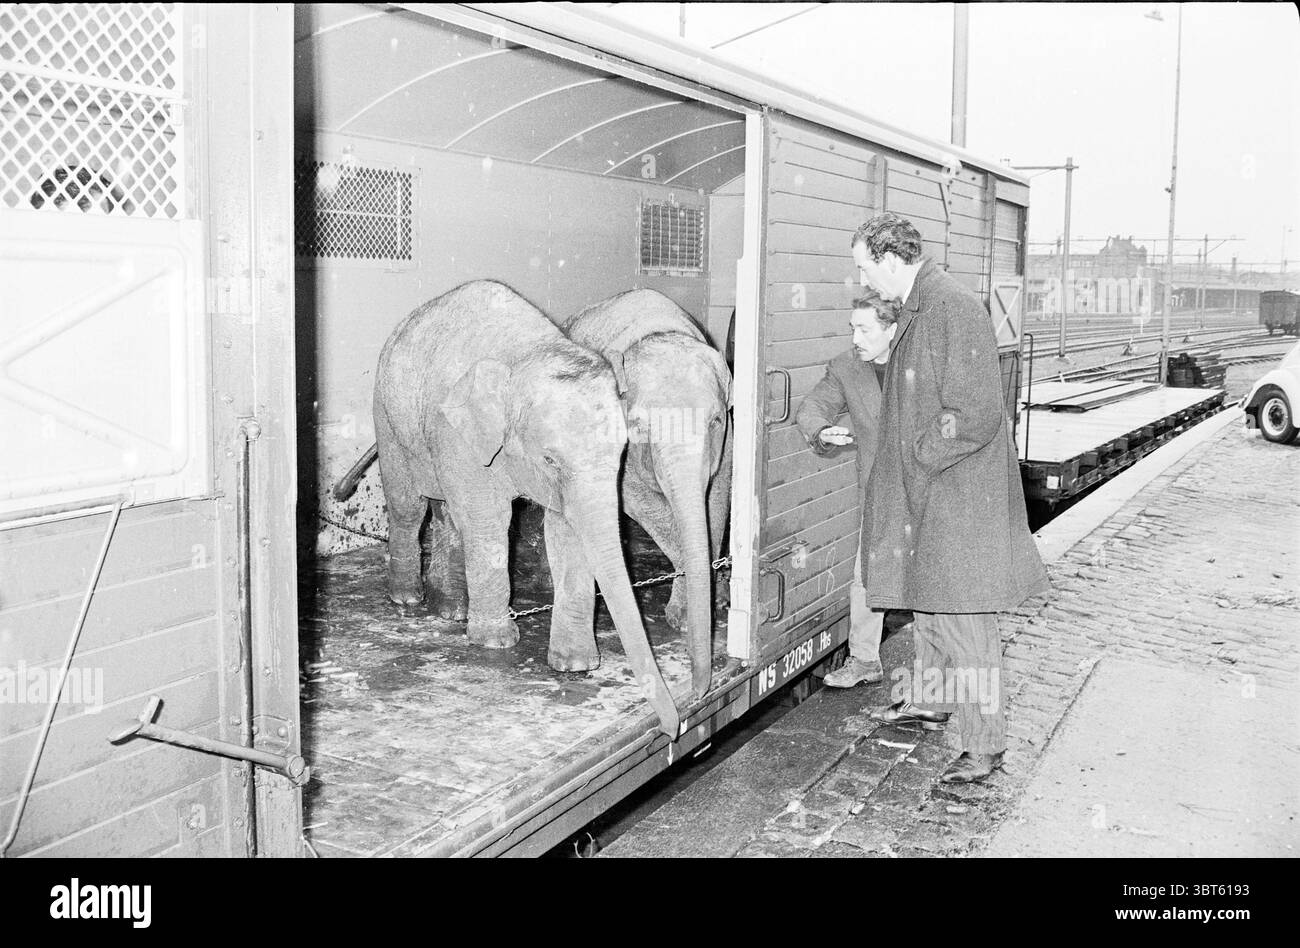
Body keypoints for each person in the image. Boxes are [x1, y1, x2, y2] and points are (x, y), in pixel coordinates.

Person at [852, 212, 1049, 784]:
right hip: (935, 494)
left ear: (891, 260)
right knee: (931, 607)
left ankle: (985, 746)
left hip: (957, 498)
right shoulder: (922, 306)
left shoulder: (949, 306)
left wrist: (914, 452)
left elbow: (975, 415)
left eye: (866, 267)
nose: (865, 281)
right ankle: (931, 700)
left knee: (964, 621)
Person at [794, 292, 899, 687]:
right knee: (866, 574)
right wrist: (823, 430)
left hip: (929, 491)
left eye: (865, 329)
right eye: (852, 328)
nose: (855, 337)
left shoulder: (924, 364)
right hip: (879, 491)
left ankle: (935, 675)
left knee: (931, 585)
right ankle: (865, 660)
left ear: (892, 329)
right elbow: (812, 408)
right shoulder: (847, 368)